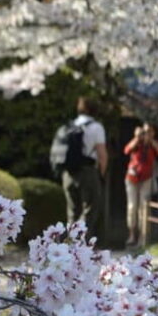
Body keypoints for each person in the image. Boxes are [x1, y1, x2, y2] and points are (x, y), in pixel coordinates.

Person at [53, 96, 108, 241]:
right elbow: (102, 155)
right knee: (90, 209)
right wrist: (101, 175)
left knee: (72, 212)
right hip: (87, 171)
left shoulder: (69, 126)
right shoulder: (96, 127)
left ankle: (68, 244)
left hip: (68, 173)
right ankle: (80, 243)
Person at [124, 123, 158, 246]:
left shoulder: (153, 144)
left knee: (143, 208)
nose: (146, 134)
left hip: (147, 178)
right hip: (132, 177)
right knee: (132, 207)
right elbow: (126, 150)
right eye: (144, 131)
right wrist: (137, 138)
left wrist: (151, 140)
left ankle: (142, 237)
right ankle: (132, 235)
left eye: (149, 131)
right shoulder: (137, 142)